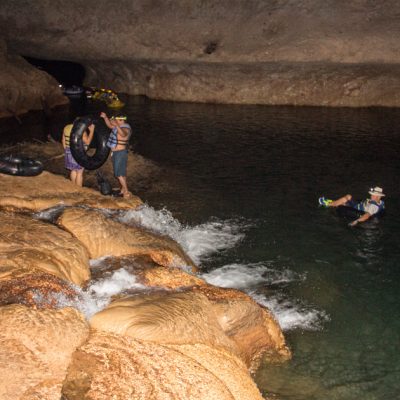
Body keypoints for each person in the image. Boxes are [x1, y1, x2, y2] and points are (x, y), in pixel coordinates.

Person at [100, 112, 132, 198]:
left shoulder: (126, 128)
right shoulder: (119, 126)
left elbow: (123, 134)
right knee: (121, 173)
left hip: (120, 153)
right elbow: (110, 126)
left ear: (121, 120)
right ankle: (122, 190)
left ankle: (126, 192)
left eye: (116, 120)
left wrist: (116, 125)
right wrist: (105, 117)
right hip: (116, 153)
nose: (114, 121)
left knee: (118, 174)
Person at [319, 186, 385, 226]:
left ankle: (328, 204)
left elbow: (367, 215)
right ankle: (336, 202)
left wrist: (356, 221)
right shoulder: (380, 202)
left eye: (373, 195)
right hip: (359, 205)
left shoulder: (373, 206)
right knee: (349, 196)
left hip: (357, 209)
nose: (371, 195)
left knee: (345, 199)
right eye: (372, 194)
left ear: (378, 196)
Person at [62, 120, 94, 186]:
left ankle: (73, 187)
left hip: (68, 150)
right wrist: (91, 131)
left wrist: (67, 149)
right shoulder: (81, 130)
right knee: (80, 172)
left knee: (73, 170)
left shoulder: (66, 127)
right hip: (78, 152)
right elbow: (87, 142)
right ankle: (79, 190)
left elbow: (63, 140)